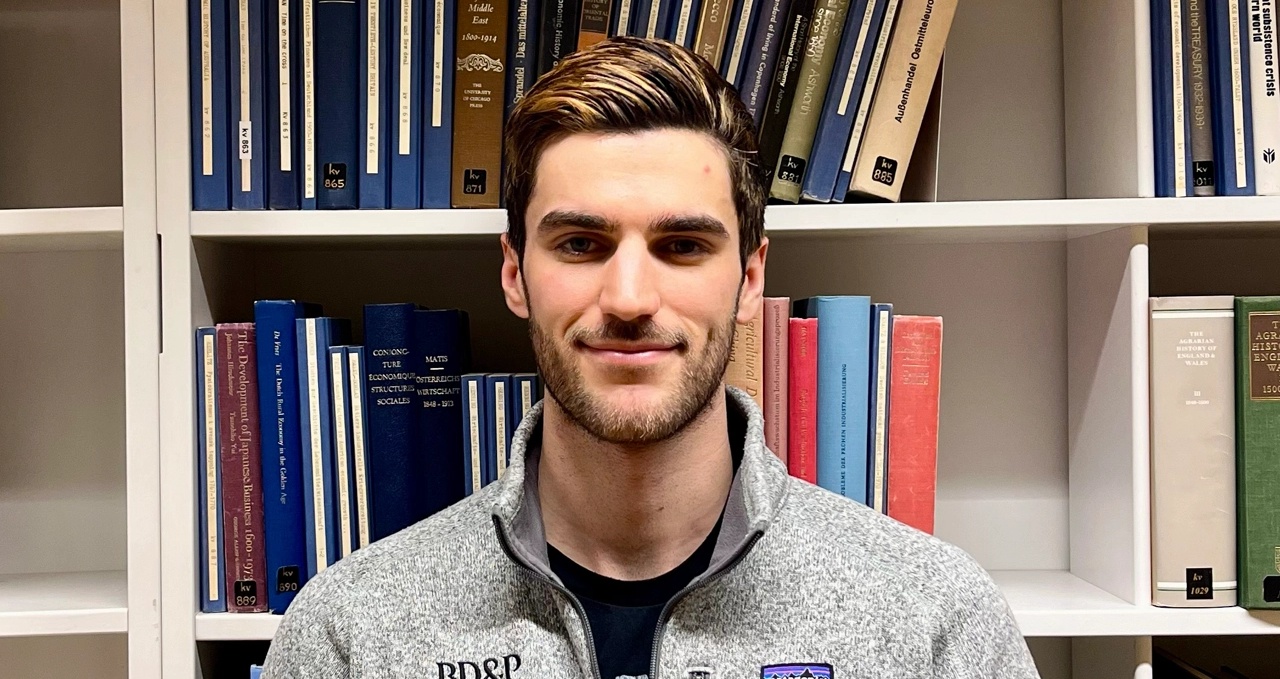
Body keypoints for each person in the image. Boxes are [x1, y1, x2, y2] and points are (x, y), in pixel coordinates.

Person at [263, 37, 1040, 679]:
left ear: (750, 279)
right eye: (580, 243)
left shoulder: (937, 622)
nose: (630, 298)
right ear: (514, 273)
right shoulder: (350, 634)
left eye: (682, 245)